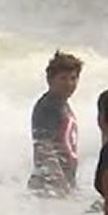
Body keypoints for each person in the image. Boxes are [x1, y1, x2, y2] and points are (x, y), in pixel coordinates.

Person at [28, 51, 82, 196]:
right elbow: (43, 147)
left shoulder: (62, 104)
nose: (69, 84)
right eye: (63, 78)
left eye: (73, 78)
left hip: (60, 185)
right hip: (48, 187)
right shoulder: (48, 107)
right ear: (50, 80)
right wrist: (61, 184)